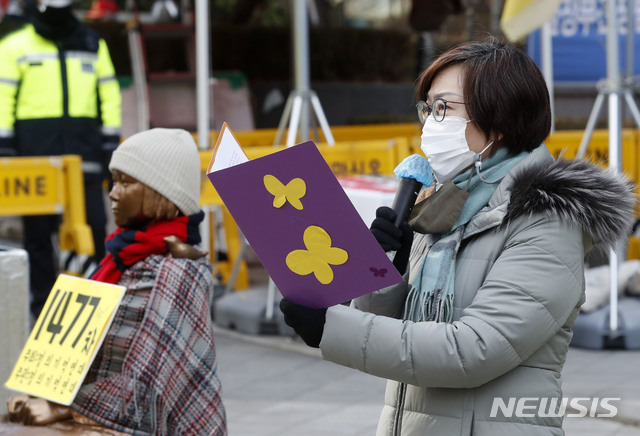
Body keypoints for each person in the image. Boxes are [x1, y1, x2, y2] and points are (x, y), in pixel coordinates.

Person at [279, 39, 637, 435]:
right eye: (427, 109)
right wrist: (384, 272)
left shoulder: (546, 220)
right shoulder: (448, 203)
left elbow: (473, 350)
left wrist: (331, 328)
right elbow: (396, 331)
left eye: (444, 108)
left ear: (500, 119)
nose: (430, 123)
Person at [4, 128, 227, 436]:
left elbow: (145, 386)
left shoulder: (175, 272)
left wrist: (62, 409)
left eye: (126, 181)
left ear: (162, 191)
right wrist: (42, 393)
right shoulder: (122, 254)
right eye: (114, 180)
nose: (113, 192)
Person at [0, 0, 122, 319]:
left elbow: (108, 94)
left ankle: (94, 304)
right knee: (38, 235)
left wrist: (110, 141)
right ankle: (42, 307)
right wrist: (6, 145)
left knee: (94, 227)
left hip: (85, 153)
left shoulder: (92, 43)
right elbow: (2, 96)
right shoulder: (15, 46)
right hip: (35, 157)